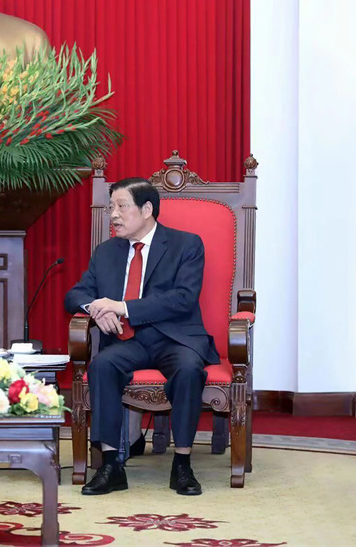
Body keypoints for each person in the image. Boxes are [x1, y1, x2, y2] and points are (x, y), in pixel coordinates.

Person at [64, 177, 219, 496]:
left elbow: (183, 298)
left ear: (147, 209)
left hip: (175, 338)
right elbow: (74, 295)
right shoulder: (106, 252)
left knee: (189, 369)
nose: (114, 215)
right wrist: (97, 308)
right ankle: (111, 466)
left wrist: (121, 307)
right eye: (111, 207)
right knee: (102, 365)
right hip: (127, 340)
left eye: (122, 206)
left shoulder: (186, 245)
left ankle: (182, 464)